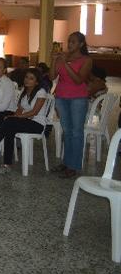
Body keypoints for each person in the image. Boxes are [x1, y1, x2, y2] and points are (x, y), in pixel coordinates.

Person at [0, 68, 48, 174]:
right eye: (26, 77)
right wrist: (13, 116)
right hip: (26, 120)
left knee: (10, 123)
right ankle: (6, 164)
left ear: (37, 82)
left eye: (31, 78)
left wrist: (15, 118)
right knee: (9, 127)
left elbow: (34, 112)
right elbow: (19, 110)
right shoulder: (25, 91)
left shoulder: (41, 92)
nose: (27, 80)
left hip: (37, 124)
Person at [50, 31, 93, 178]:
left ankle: (73, 166)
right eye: (69, 41)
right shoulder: (63, 57)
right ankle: (66, 162)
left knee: (76, 132)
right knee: (66, 131)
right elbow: (52, 76)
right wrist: (54, 60)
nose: (70, 44)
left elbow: (78, 80)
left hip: (78, 99)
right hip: (61, 97)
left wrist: (66, 64)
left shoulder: (86, 60)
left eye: (73, 42)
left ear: (81, 44)